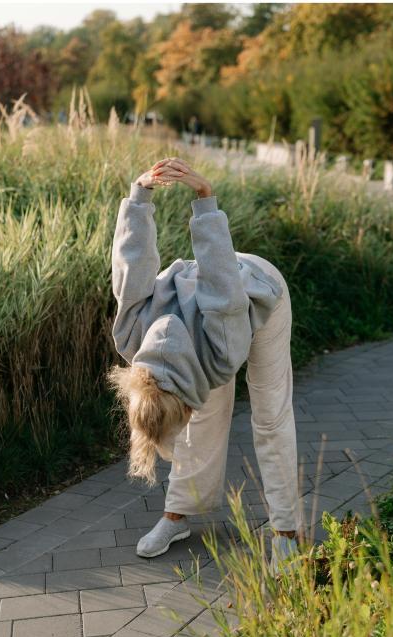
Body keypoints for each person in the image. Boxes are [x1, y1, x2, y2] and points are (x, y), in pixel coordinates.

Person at [108, 157, 302, 576]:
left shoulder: (220, 353)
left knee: (270, 415)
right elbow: (132, 265)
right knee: (206, 421)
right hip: (204, 298)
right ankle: (178, 516)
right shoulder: (130, 340)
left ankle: (286, 531)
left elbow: (224, 293)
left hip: (256, 292)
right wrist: (138, 196)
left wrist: (205, 201)